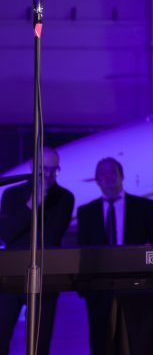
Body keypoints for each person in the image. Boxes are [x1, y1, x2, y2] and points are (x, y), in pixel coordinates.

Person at [77, 157, 153, 355]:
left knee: (137, 341)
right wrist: (84, 288)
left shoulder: (144, 206)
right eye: (102, 174)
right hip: (99, 288)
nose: (108, 177)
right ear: (97, 180)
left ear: (122, 176)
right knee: (100, 343)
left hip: (137, 286)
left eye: (112, 172)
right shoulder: (86, 212)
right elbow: (83, 250)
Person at [0, 147, 74, 355]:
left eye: (54, 169)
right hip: (12, 275)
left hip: (44, 276)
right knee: (1, 333)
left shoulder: (64, 198)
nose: (49, 175)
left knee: (39, 341)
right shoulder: (12, 195)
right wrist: (32, 204)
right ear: (33, 167)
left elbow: (51, 235)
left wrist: (43, 201)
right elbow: (7, 234)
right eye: (44, 169)